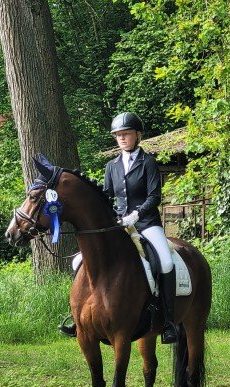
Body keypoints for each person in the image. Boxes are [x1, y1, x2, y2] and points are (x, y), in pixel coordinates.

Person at [60, 112, 178, 344]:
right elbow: (106, 197)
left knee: (165, 261)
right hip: (118, 225)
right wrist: (110, 217)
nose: (122, 138)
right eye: (118, 135)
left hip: (146, 223)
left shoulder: (149, 163)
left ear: (138, 135)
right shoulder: (111, 165)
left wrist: (136, 214)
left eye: (126, 134)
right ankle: (77, 318)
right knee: (77, 261)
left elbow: (154, 197)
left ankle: (168, 322)